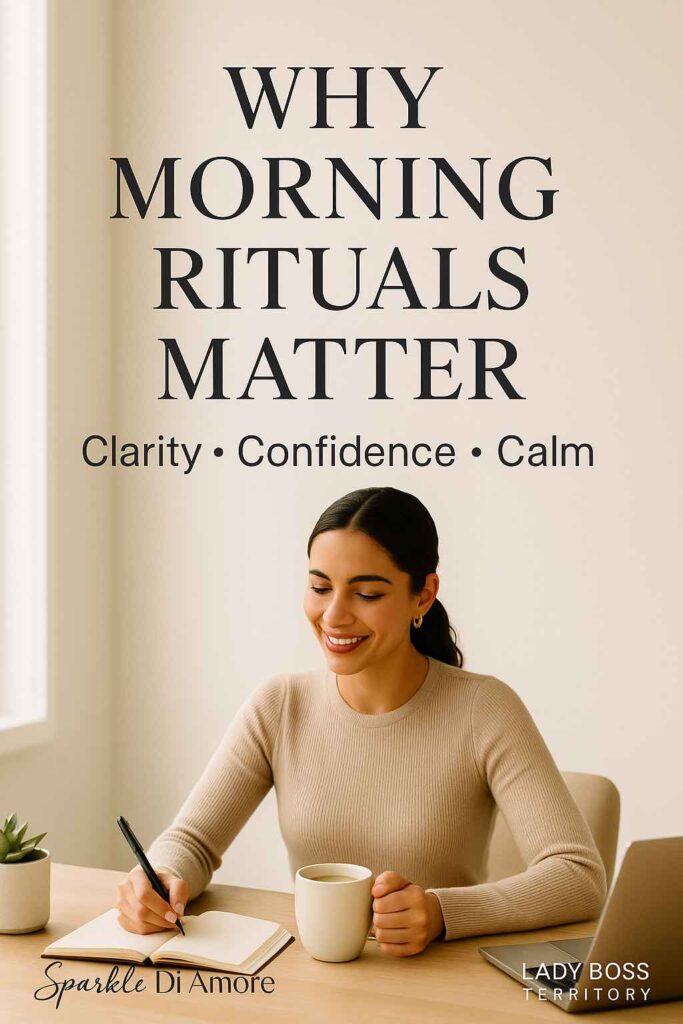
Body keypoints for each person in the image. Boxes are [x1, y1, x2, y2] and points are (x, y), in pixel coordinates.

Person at [115, 487, 607, 956]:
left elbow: (577, 875)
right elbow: (193, 842)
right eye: (319, 587)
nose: (334, 615)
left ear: (423, 595)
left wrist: (441, 912)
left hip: (442, 990)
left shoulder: (485, 709)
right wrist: (159, 877)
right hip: (316, 983)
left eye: (367, 593)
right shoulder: (280, 705)